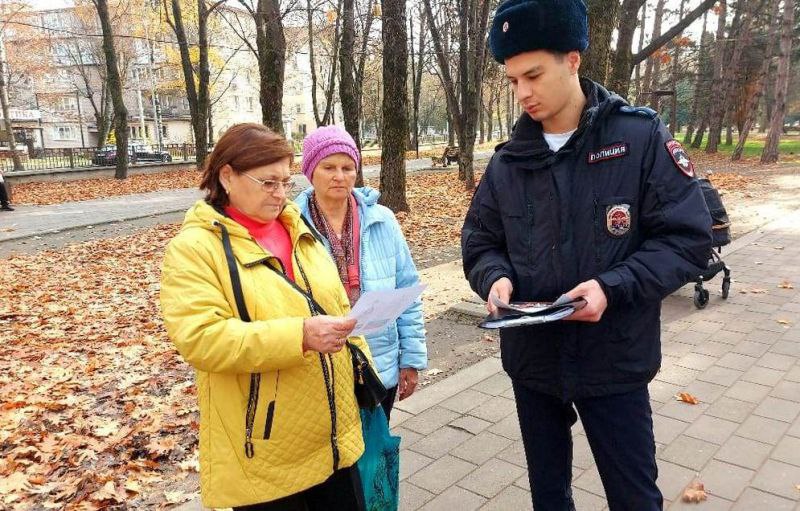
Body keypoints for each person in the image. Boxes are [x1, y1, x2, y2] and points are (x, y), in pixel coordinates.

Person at [461, 0, 713, 509]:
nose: (523, 92)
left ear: (573, 59)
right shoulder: (508, 162)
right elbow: (481, 241)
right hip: (534, 365)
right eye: (513, 80)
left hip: (614, 360)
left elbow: (687, 240)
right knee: (549, 496)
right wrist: (494, 278)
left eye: (534, 75)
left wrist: (610, 287)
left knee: (634, 497)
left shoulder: (638, 138)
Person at [160, 123, 371, 510]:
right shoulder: (195, 249)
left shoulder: (297, 227)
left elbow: (335, 304)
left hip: (334, 440)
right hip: (266, 452)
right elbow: (202, 339)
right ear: (227, 176)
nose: (280, 194)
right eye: (268, 183)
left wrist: (363, 363)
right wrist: (300, 336)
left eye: (285, 182)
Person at [295, 125, 426, 421]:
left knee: (376, 444)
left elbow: (407, 293)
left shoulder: (383, 220)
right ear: (310, 171)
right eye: (329, 167)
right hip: (322, 367)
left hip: (378, 363)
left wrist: (411, 359)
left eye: (347, 168)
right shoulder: (292, 225)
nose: (339, 176)